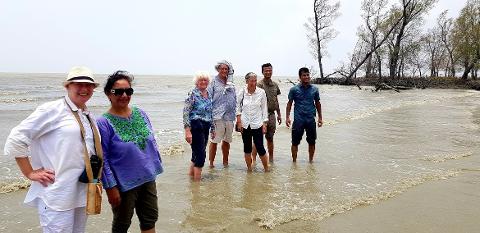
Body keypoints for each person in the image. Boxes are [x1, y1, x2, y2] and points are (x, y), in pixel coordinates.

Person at [4, 66, 100, 233]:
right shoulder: (52, 109)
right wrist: (30, 173)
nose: (84, 88)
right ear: (67, 86)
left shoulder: (87, 114)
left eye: (89, 84)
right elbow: (16, 138)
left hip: (82, 192)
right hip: (58, 195)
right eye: (78, 83)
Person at [97, 70, 163, 233]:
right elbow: (102, 158)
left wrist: (155, 166)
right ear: (108, 94)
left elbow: (151, 141)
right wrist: (110, 187)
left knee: (149, 220)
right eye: (118, 91)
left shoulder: (140, 113)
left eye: (128, 91)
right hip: (123, 184)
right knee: (121, 225)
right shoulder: (103, 123)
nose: (124, 95)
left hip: (148, 177)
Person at [285, 67, 323, 163]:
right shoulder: (294, 89)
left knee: (312, 142)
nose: (306, 77)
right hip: (298, 120)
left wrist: (320, 118)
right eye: (304, 75)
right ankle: (294, 162)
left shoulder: (315, 89)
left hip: (310, 119)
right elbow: (289, 103)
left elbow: (318, 103)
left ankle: (311, 161)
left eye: (307, 75)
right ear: (300, 77)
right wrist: (287, 117)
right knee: (295, 142)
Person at [183, 71, 215, 181]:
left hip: (206, 126)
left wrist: (213, 129)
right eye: (200, 80)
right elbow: (186, 112)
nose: (203, 82)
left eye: (205, 80)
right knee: (201, 156)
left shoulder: (209, 94)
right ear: (196, 82)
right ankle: (197, 185)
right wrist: (187, 131)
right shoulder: (192, 94)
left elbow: (211, 113)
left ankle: (191, 181)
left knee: (196, 154)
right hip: (196, 125)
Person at [236, 72, 269, 172]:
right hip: (245, 124)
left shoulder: (261, 92)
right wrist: (239, 122)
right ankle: (249, 169)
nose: (253, 83)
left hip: (257, 124)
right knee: (247, 148)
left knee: (260, 147)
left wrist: (264, 123)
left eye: (255, 80)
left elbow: (264, 109)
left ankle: (266, 169)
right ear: (246, 81)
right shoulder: (242, 92)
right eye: (251, 81)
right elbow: (238, 107)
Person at [208, 60, 237, 168]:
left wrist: (237, 114)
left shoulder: (231, 82)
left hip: (229, 116)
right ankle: (211, 164)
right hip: (217, 116)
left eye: (226, 69)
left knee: (227, 141)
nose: (224, 71)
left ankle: (225, 163)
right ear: (218, 69)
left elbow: (235, 98)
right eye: (222, 69)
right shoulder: (213, 81)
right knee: (214, 141)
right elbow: (208, 97)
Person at [252, 63, 282, 163]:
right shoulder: (259, 85)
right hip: (260, 115)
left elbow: (276, 100)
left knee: (270, 138)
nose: (268, 72)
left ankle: (271, 159)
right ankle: (254, 160)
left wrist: (279, 114)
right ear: (262, 72)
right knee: (258, 139)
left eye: (270, 70)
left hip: (272, 114)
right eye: (266, 70)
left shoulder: (275, 85)